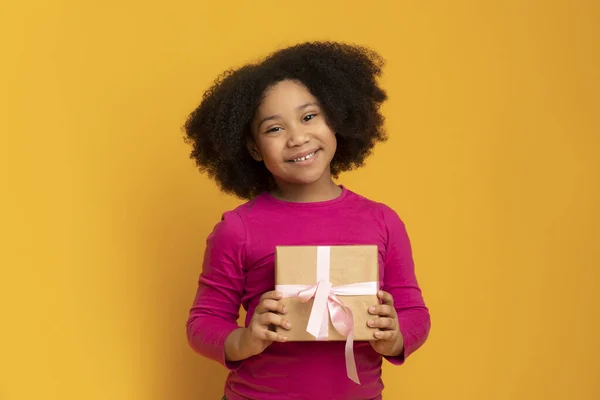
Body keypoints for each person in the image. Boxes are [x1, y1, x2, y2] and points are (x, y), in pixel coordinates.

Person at [183, 41, 430, 400]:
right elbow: (202, 323)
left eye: (309, 117)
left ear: (336, 118)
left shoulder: (383, 221)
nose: (298, 137)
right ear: (253, 148)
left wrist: (395, 336)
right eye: (273, 129)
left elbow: (414, 312)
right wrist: (245, 339)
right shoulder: (237, 229)